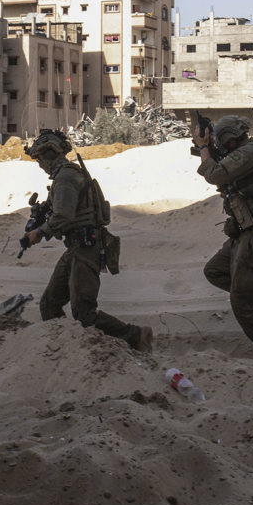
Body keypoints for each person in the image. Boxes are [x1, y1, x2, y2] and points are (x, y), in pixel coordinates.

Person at [21, 130, 154, 352]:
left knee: (84, 312)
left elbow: (63, 216)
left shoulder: (65, 178)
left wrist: (39, 233)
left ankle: (137, 336)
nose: (40, 165)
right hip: (75, 247)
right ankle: (63, 347)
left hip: (85, 247)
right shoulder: (65, 176)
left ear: (49, 155)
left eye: (40, 159)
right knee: (49, 304)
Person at [192, 115, 253, 355]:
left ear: (230, 139)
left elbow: (215, 174)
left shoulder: (250, 153)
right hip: (248, 233)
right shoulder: (245, 154)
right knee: (215, 271)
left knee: (243, 302)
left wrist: (205, 147)